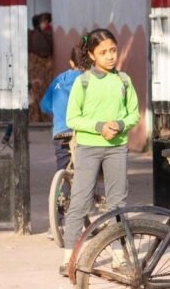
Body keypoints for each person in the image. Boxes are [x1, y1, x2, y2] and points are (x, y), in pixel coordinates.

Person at [60, 29, 140, 276]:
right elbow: (72, 118)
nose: (110, 56)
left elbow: (134, 114)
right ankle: (69, 257)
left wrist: (121, 124)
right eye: (103, 52)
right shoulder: (82, 82)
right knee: (80, 202)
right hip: (88, 149)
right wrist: (98, 127)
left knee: (117, 204)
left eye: (113, 50)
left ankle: (118, 255)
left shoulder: (124, 81)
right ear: (92, 55)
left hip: (117, 148)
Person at [41, 46, 89, 171]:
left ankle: (63, 186)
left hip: (60, 132)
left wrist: (58, 110)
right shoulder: (90, 80)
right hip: (82, 131)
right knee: (88, 166)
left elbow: (45, 105)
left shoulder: (59, 80)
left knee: (63, 166)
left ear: (71, 63)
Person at [28, 12, 55, 123]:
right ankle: (36, 117)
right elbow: (43, 50)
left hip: (44, 71)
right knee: (36, 93)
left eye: (46, 22)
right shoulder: (36, 36)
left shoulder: (44, 34)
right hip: (37, 69)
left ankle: (44, 117)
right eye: (43, 22)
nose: (45, 24)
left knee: (44, 92)